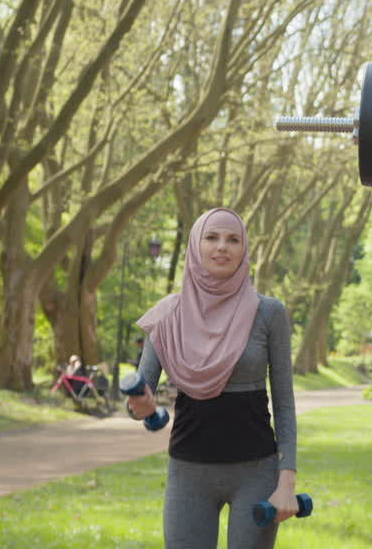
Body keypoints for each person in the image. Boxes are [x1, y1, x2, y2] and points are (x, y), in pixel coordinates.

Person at [126, 208, 299, 549]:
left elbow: (283, 402)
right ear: (195, 245)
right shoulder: (167, 316)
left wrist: (286, 482)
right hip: (189, 472)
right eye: (212, 237)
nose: (223, 247)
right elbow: (137, 404)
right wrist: (140, 407)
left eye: (233, 239)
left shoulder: (268, 312)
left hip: (256, 473)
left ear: (244, 249)